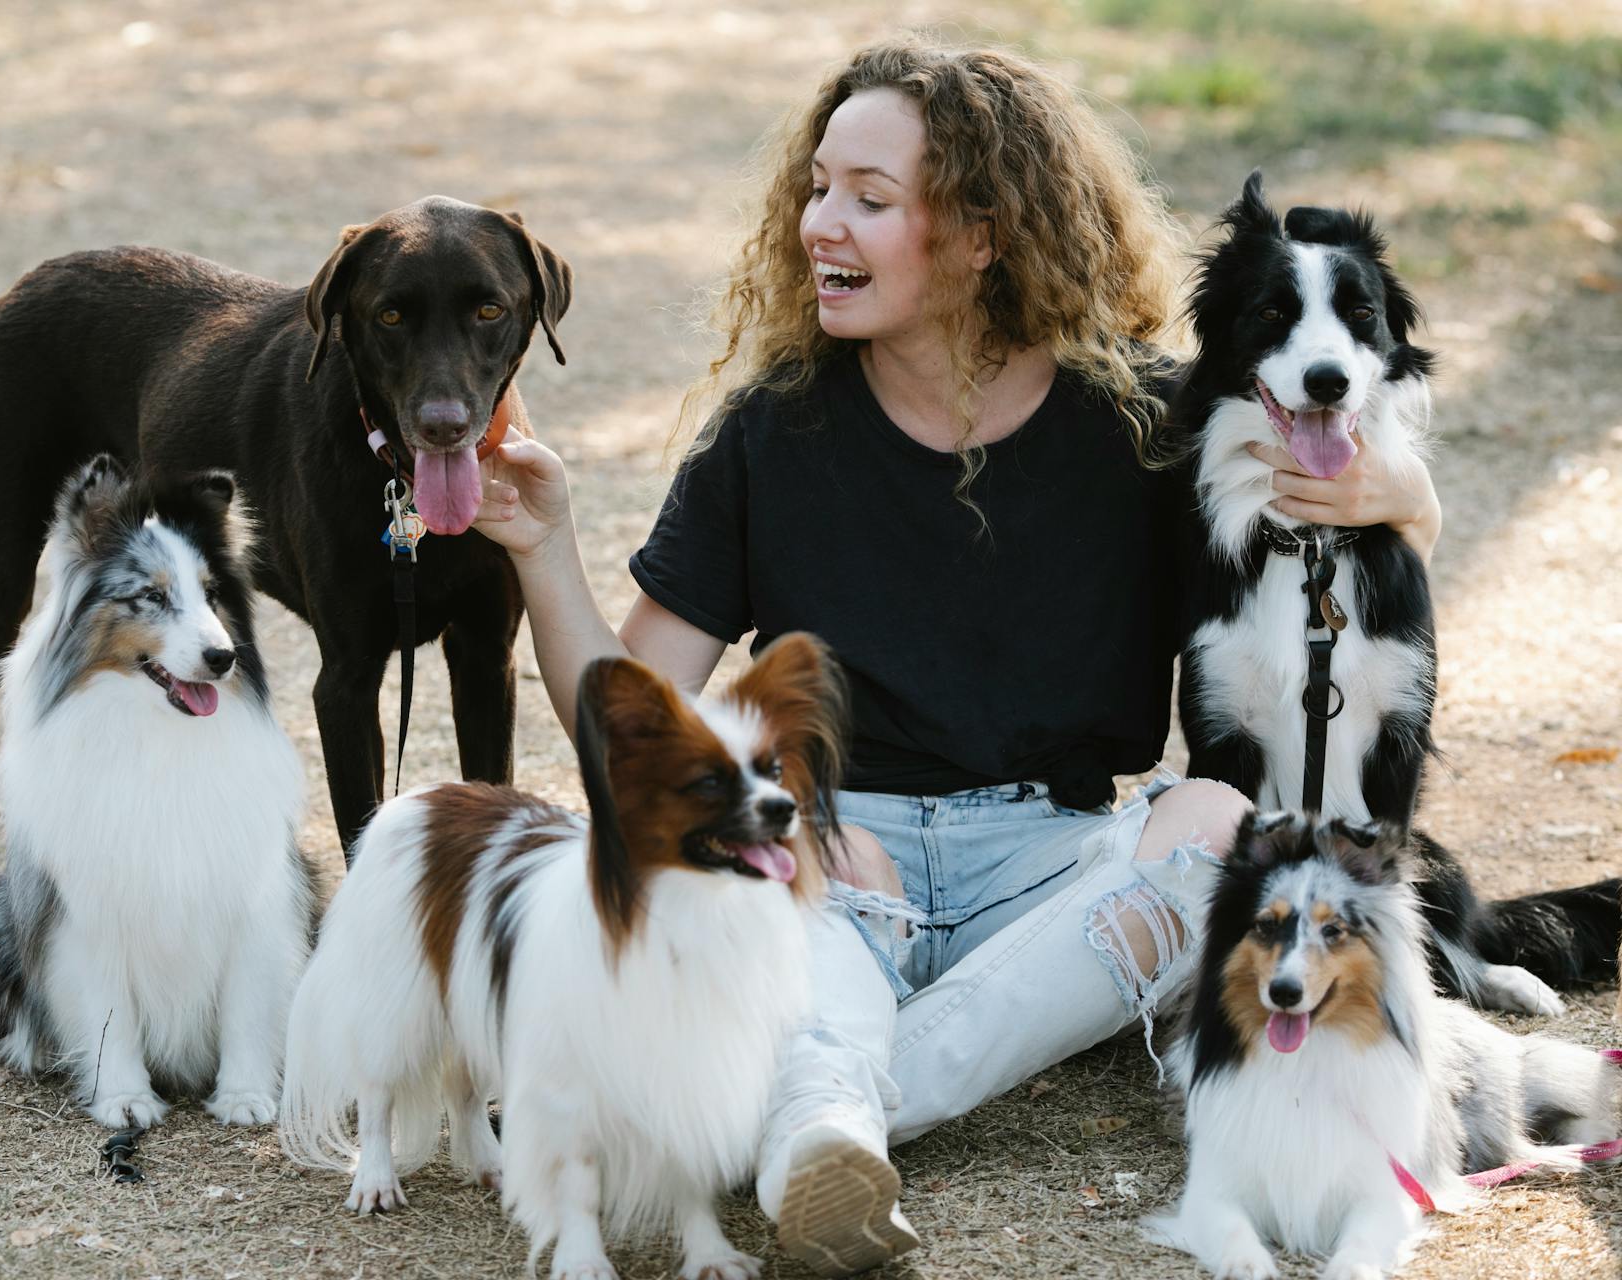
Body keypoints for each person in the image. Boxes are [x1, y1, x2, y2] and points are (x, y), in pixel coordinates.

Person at [472, 38, 1443, 1277]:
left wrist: (1398, 485)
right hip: (834, 849)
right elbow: (634, 736)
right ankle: (821, 1129)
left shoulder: (1144, 422)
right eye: (819, 187)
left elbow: (1359, 477)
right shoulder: (776, 428)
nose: (822, 220)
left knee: (1210, 823)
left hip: (1055, 865)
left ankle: (814, 1111)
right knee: (767, 864)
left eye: (870, 199)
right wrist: (545, 548)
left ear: (986, 232)